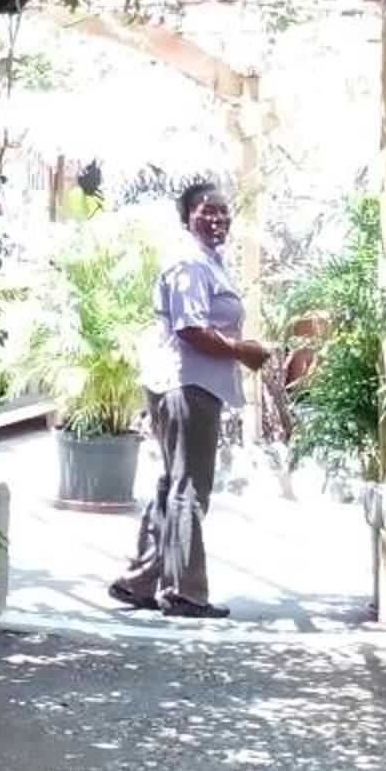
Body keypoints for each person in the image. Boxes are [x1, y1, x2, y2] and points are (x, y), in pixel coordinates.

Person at [109, 179, 271, 618]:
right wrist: (243, 352)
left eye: (223, 210)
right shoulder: (189, 263)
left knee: (174, 482)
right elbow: (191, 330)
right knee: (189, 487)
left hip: (192, 384)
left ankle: (140, 579)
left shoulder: (208, 261)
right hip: (187, 385)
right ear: (186, 218)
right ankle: (184, 592)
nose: (218, 218)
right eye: (207, 210)